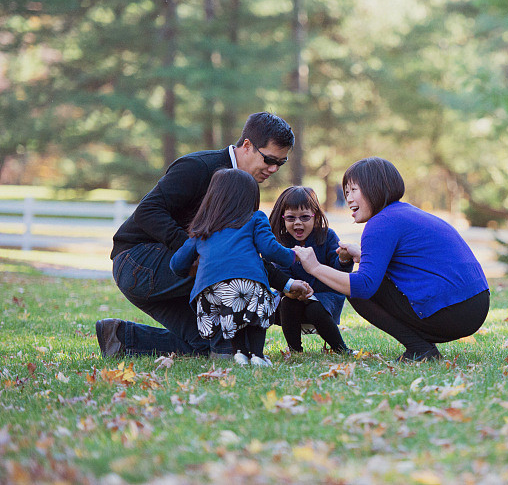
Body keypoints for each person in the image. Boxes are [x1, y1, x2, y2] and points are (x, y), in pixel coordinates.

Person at [96, 111, 312, 359]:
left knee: (210, 343)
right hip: (139, 262)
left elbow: (244, 254)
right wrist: (194, 250)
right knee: (226, 274)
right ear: (247, 145)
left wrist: (285, 283)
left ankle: (120, 338)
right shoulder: (198, 167)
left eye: (281, 163)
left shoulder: (244, 188)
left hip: (176, 266)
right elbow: (148, 211)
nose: (273, 169)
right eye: (269, 159)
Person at [293, 157, 490, 362]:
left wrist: (314, 267)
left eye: (354, 190)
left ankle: (419, 348)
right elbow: (416, 262)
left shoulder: (380, 223)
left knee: (357, 291)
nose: (348, 198)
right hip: (475, 303)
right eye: (346, 192)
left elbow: (363, 287)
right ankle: (422, 347)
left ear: (374, 188)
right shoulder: (404, 213)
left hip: (453, 311)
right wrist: (363, 255)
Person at [170, 169, 295, 366]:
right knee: (257, 303)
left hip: (209, 293)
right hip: (247, 285)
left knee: (232, 308)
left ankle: (239, 353)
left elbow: (177, 264)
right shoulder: (255, 218)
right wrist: (292, 256)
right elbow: (269, 249)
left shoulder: (203, 225)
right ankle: (257, 355)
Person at [268, 186, 355, 355]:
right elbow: (281, 272)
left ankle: (341, 349)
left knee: (315, 307)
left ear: (315, 217)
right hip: (292, 294)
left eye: (305, 217)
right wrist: (294, 288)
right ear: (283, 218)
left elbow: (338, 272)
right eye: (291, 218)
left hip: (325, 295)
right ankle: (295, 350)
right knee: (287, 304)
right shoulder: (281, 241)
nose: (298, 223)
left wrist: (344, 259)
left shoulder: (327, 236)